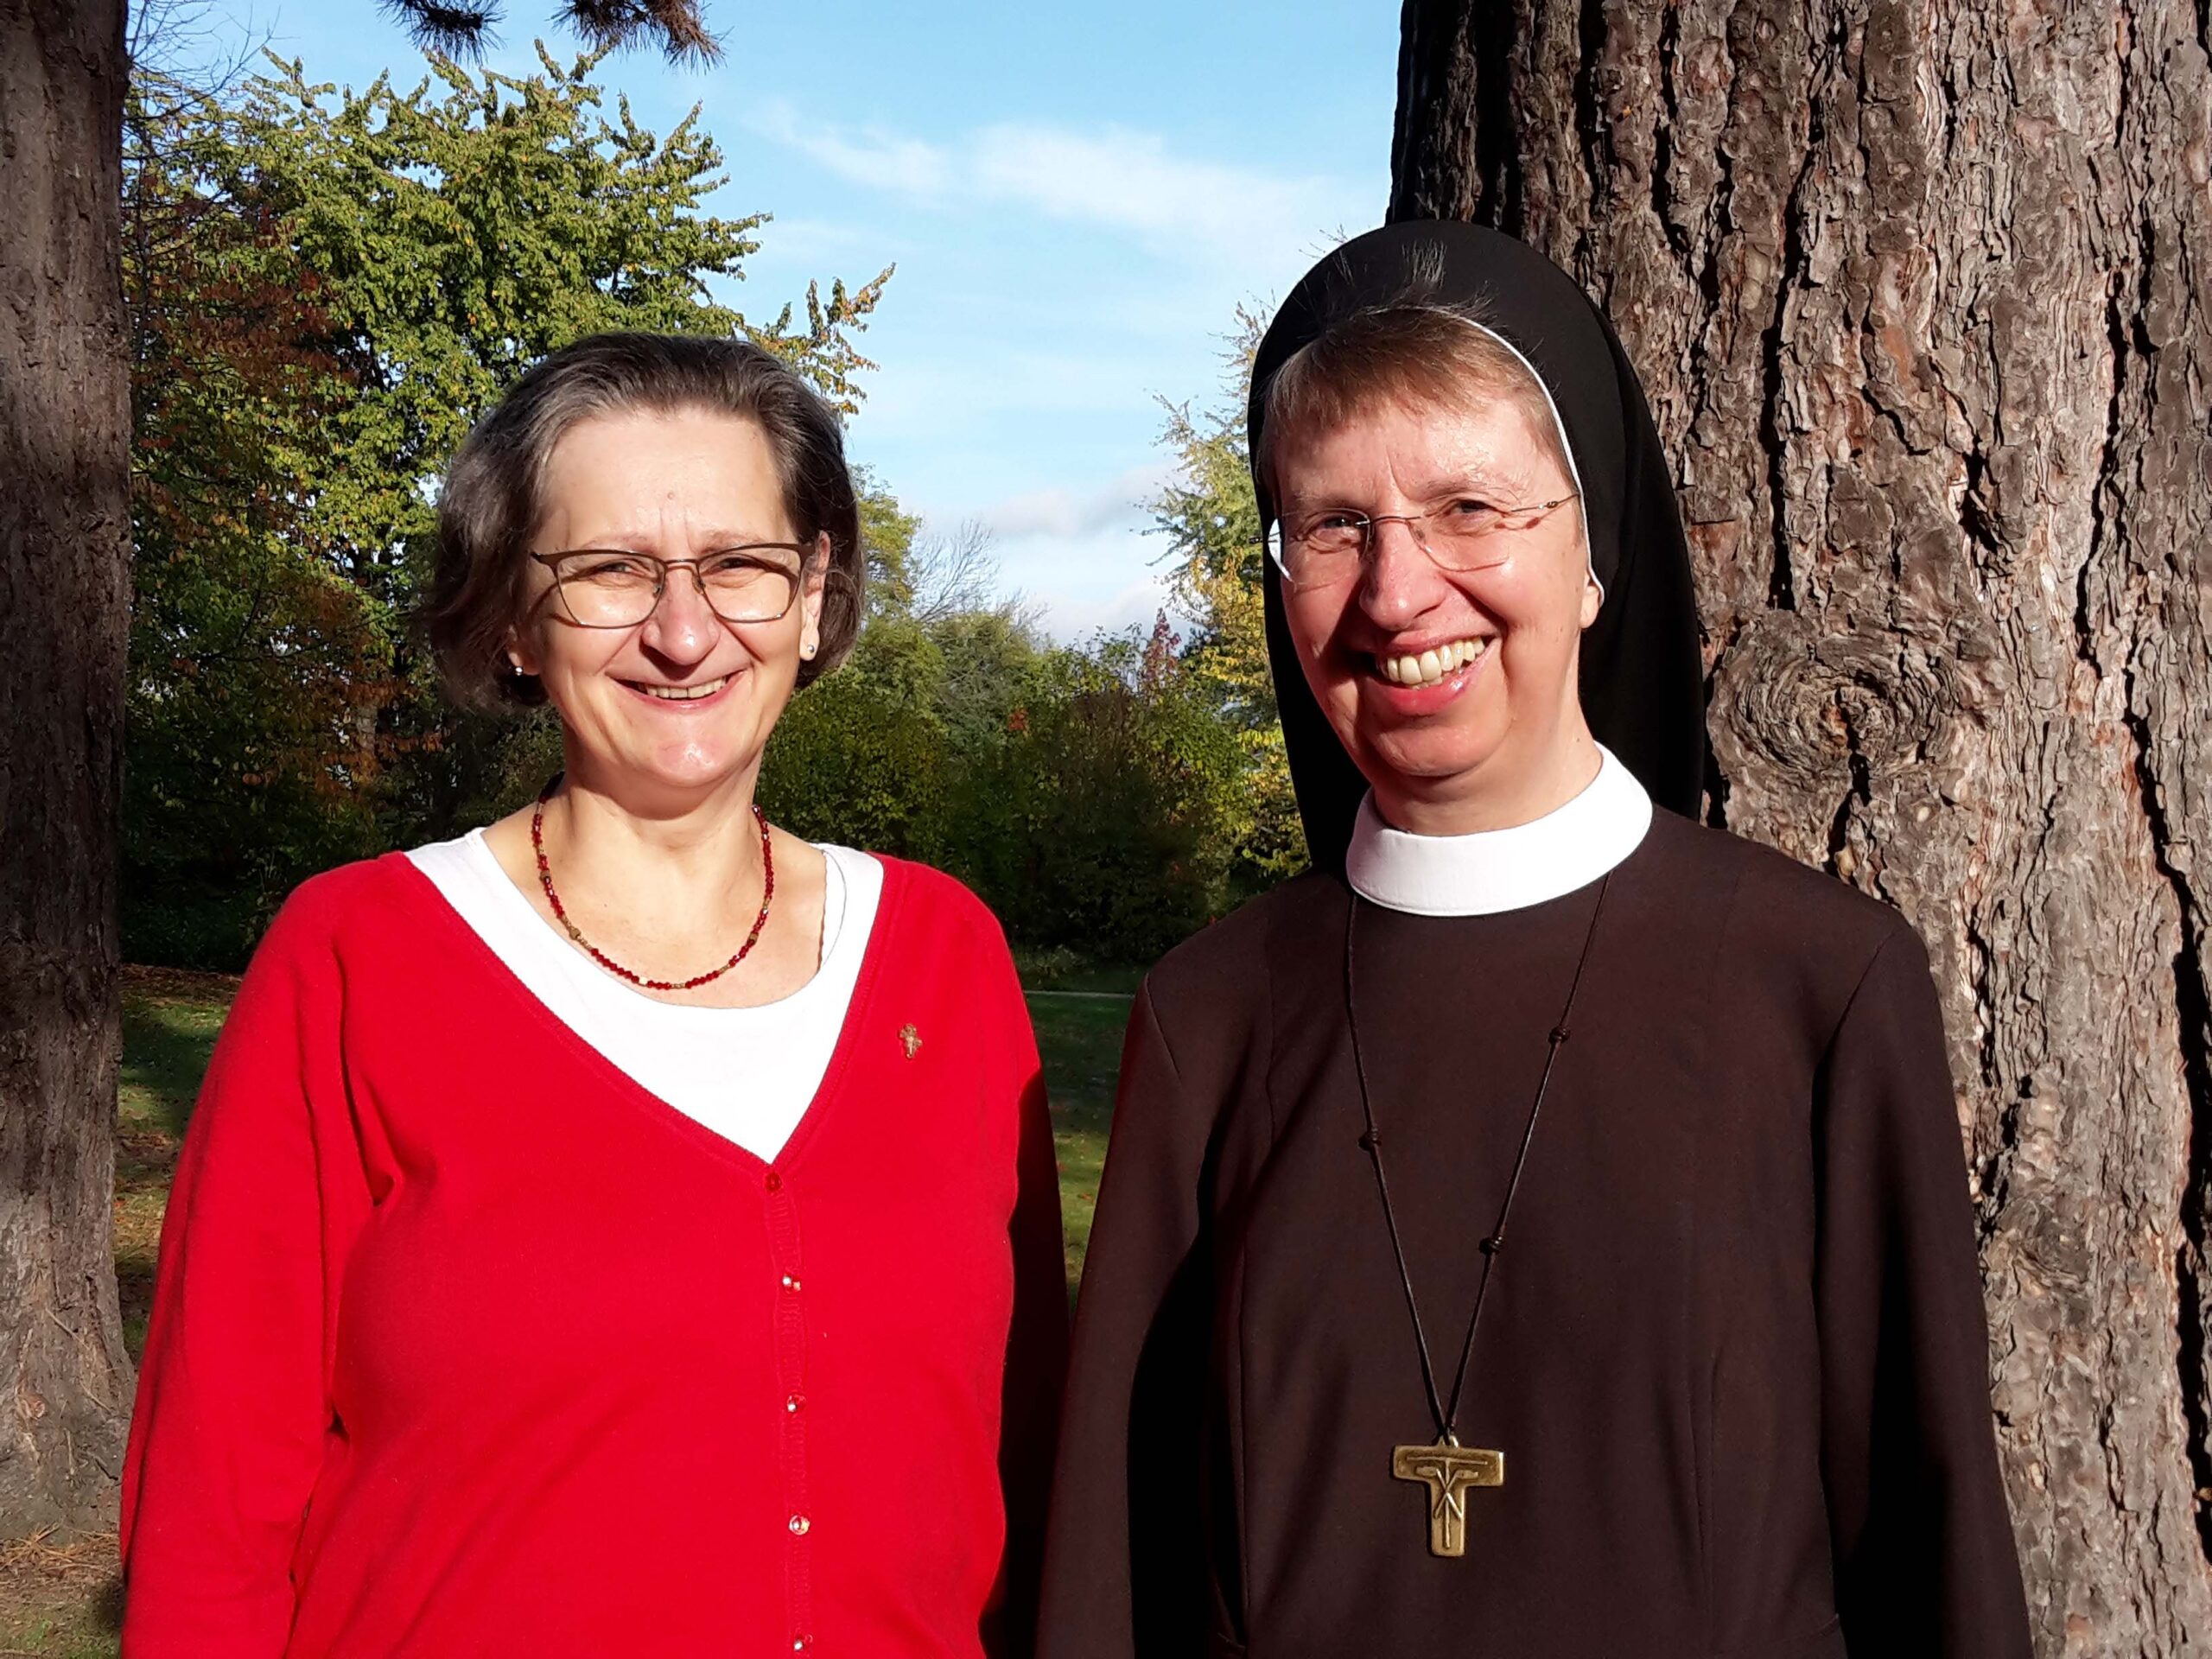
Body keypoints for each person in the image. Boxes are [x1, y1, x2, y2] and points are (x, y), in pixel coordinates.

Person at [1037, 224, 2030, 1658]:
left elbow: (1930, 1551)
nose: (1396, 594)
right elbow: (1113, 1577)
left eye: (1470, 509)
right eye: (1332, 527)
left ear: (1594, 553)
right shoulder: (1211, 1017)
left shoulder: (1821, 986)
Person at [121, 333, 1068, 1656]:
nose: (683, 633)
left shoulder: (943, 960)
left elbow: (1029, 1457)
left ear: (812, 595)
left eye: (738, 566)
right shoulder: (355, 959)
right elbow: (210, 1509)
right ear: (514, 615)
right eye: (610, 571)